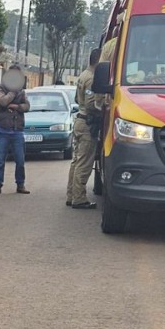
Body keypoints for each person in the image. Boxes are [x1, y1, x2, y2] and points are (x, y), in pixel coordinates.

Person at [67, 48, 107, 209]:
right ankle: (79, 198)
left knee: (76, 161)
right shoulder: (91, 78)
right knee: (84, 163)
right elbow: (92, 104)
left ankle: (71, 195)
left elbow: (78, 99)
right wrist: (104, 108)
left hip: (80, 121)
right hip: (87, 124)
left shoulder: (83, 75)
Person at [0, 65, 30, 194]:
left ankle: (20, 184)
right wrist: (13, 92)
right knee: (0, 161)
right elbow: (2, 101)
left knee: (20, 160)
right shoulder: (0, 88)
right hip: (2, 129)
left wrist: (17, 107)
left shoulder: (22, 91)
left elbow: (27, 106)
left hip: (17, 129)